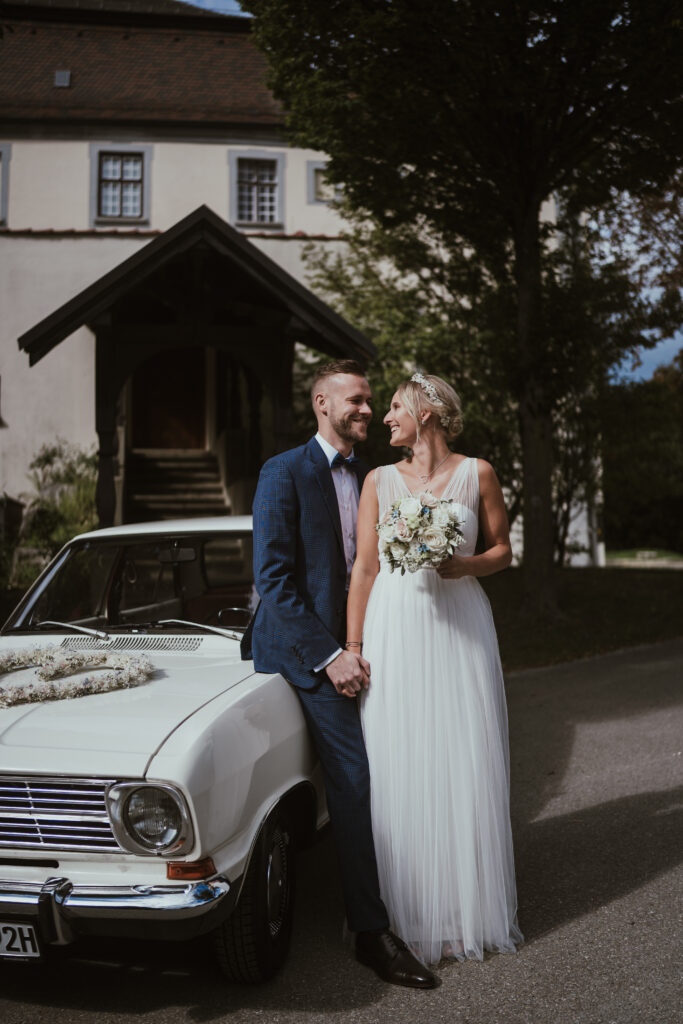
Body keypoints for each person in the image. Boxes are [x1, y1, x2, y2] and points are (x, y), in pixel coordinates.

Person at [242, 359, 438, 989]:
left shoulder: (374, 474)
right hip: (310, 656)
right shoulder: (283, 472)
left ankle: (422, 891)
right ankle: (371, 933)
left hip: (371, 643)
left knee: (403, 763)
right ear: (321, 403)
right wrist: (332, 658)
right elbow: (273, 582)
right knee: (353, 778)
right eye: (355, 400)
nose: (365, 409)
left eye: (370, 402)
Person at [346, 372, 524, 966]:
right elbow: (365, 570)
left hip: (458, 627)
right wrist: (354, 643)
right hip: (395, 627)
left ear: (425, 413)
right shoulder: (379, 481)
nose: (385, 417)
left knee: (459, 757)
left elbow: (503, 550)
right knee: (401, 760)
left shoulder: (479, 474)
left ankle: (460, 911)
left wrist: (467, 564)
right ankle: (405, 912)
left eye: (395, 407)